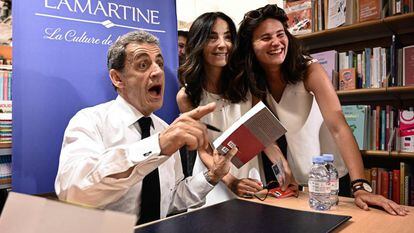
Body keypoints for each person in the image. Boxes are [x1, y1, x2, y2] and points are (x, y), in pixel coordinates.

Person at [233, 4, 408, 215]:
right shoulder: (256, 81)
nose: (276, 43)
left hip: (331, 173)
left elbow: (339, 126)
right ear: (250, 46)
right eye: (265, 38)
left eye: (280, 34)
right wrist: (284, 168)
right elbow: (263, 130)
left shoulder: (309, 70)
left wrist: (360, 186)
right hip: (298, 167)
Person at [54, 30, 238, 224]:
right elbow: (73, 192)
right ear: (117, 78)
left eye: (159, 63)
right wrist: (157, 146)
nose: (158, 71)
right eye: (143, 65)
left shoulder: (165, 129)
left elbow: (172, 199)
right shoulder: (90, 121)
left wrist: (213, 175)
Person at [176, 12, 295, 206]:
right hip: (212, 178)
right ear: (198, 43)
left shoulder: (247, 83)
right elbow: (204, 150)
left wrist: (283, 169)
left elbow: (263, 135)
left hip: (250, 174)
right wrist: (231, 181)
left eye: (228, 37)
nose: (222, 44)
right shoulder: (187, 96)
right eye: (212, 37)